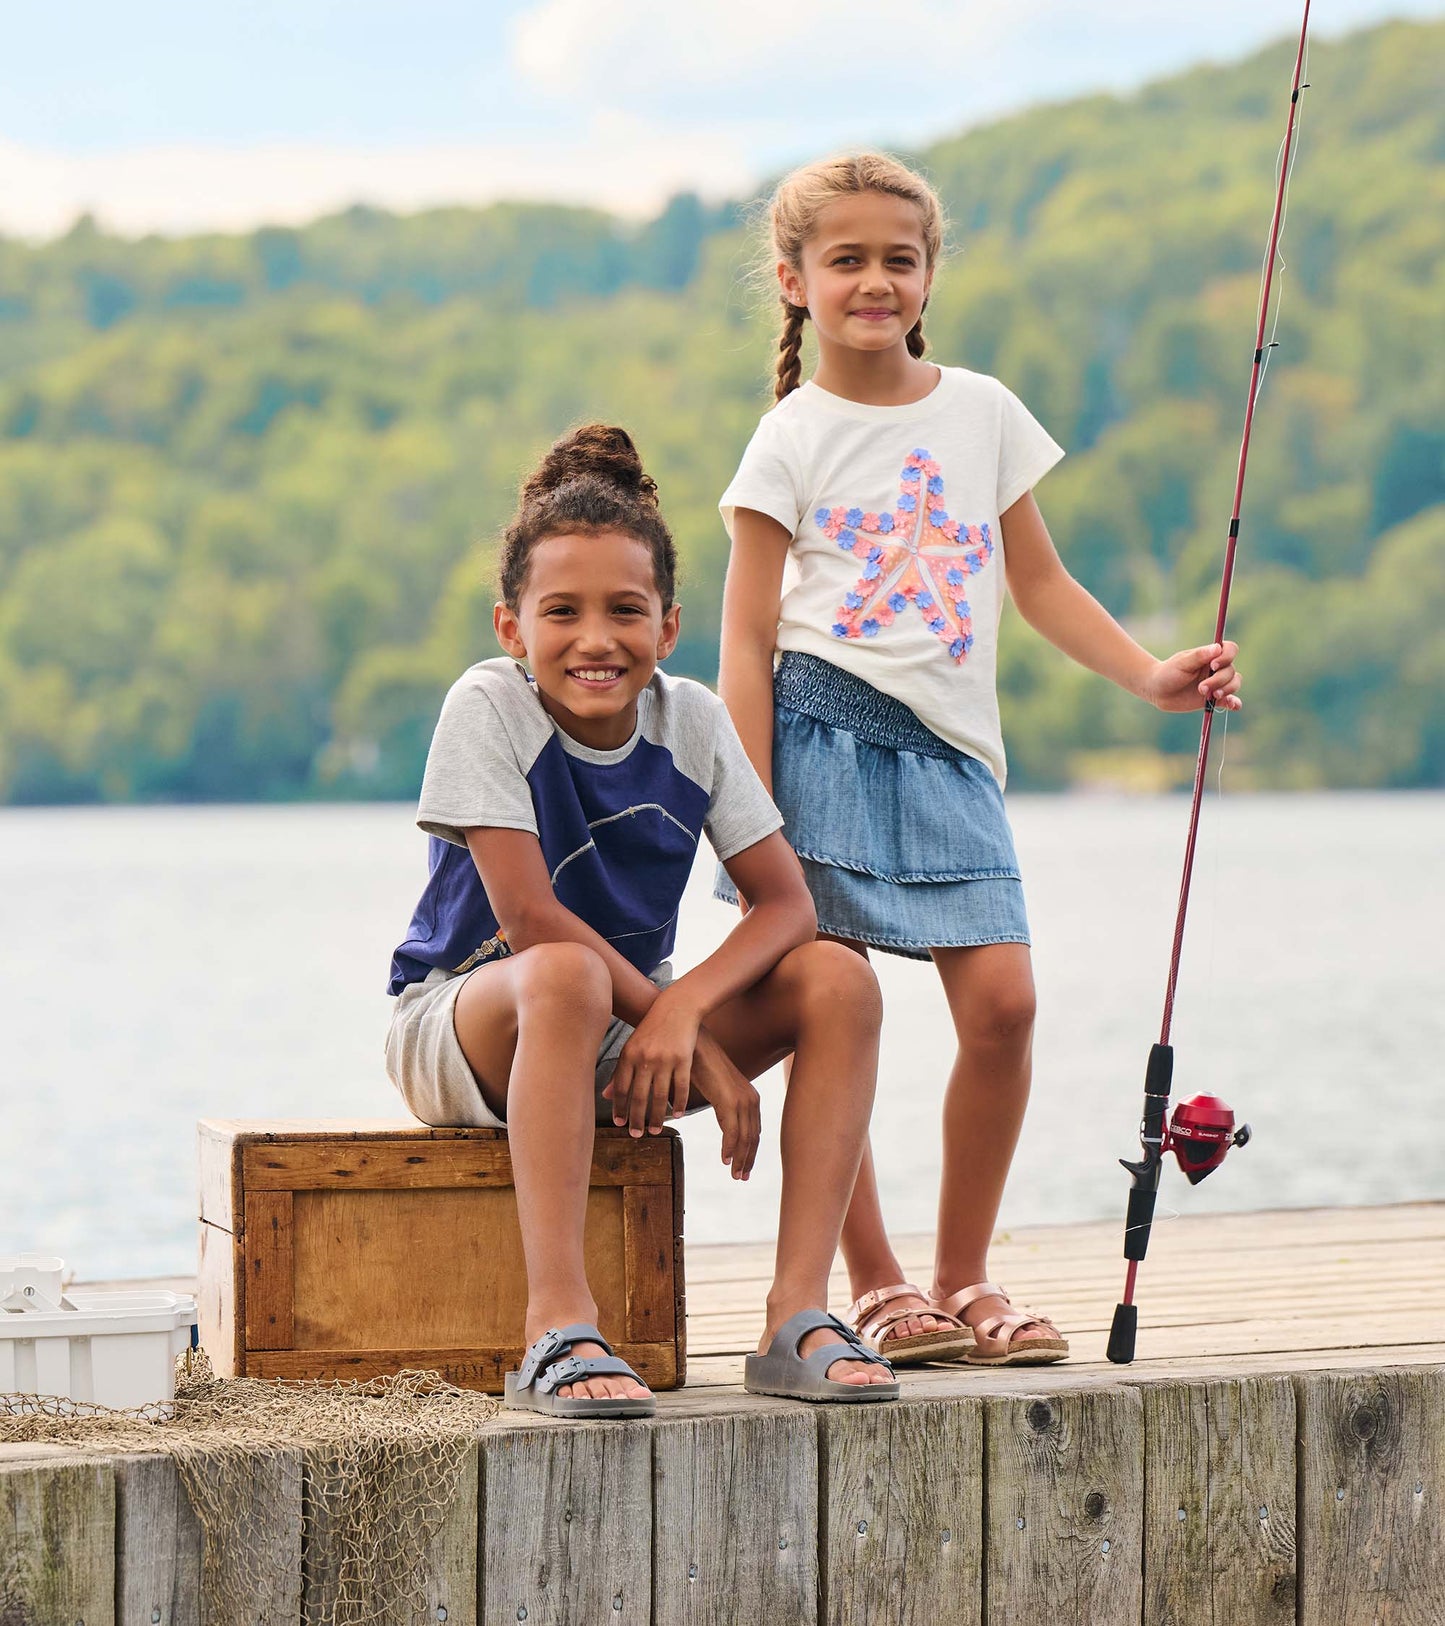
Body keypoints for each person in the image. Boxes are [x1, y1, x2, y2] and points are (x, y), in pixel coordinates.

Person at [716, 153, 1242, 1368]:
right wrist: (749, 821)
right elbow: (744, 639)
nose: (873, 281)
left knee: (1003, 1005)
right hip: (815, 739)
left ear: (928, 273)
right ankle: (878, 1284)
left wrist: (1146, 674)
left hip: (952, 760)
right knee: (824, 1009)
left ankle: (964, 1273)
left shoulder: (984, 412)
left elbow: (1039, 581)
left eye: (897, 259)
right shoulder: (786, 437)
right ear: (793, 282)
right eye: (844, 260)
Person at [385, 423, 899, 1417]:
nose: (595, 639)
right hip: (462, 1026)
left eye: (625, 611)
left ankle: (796, 1314)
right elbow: (531, 917)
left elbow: (785, 901)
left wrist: (684, 1015)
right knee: (566, 974)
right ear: (510, 626)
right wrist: (686, 1039)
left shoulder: (691, 720)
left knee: (838, 976)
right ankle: (556, 1328)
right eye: (561, 612)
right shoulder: (487, 708)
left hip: (620, 1033)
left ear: (665, 628)